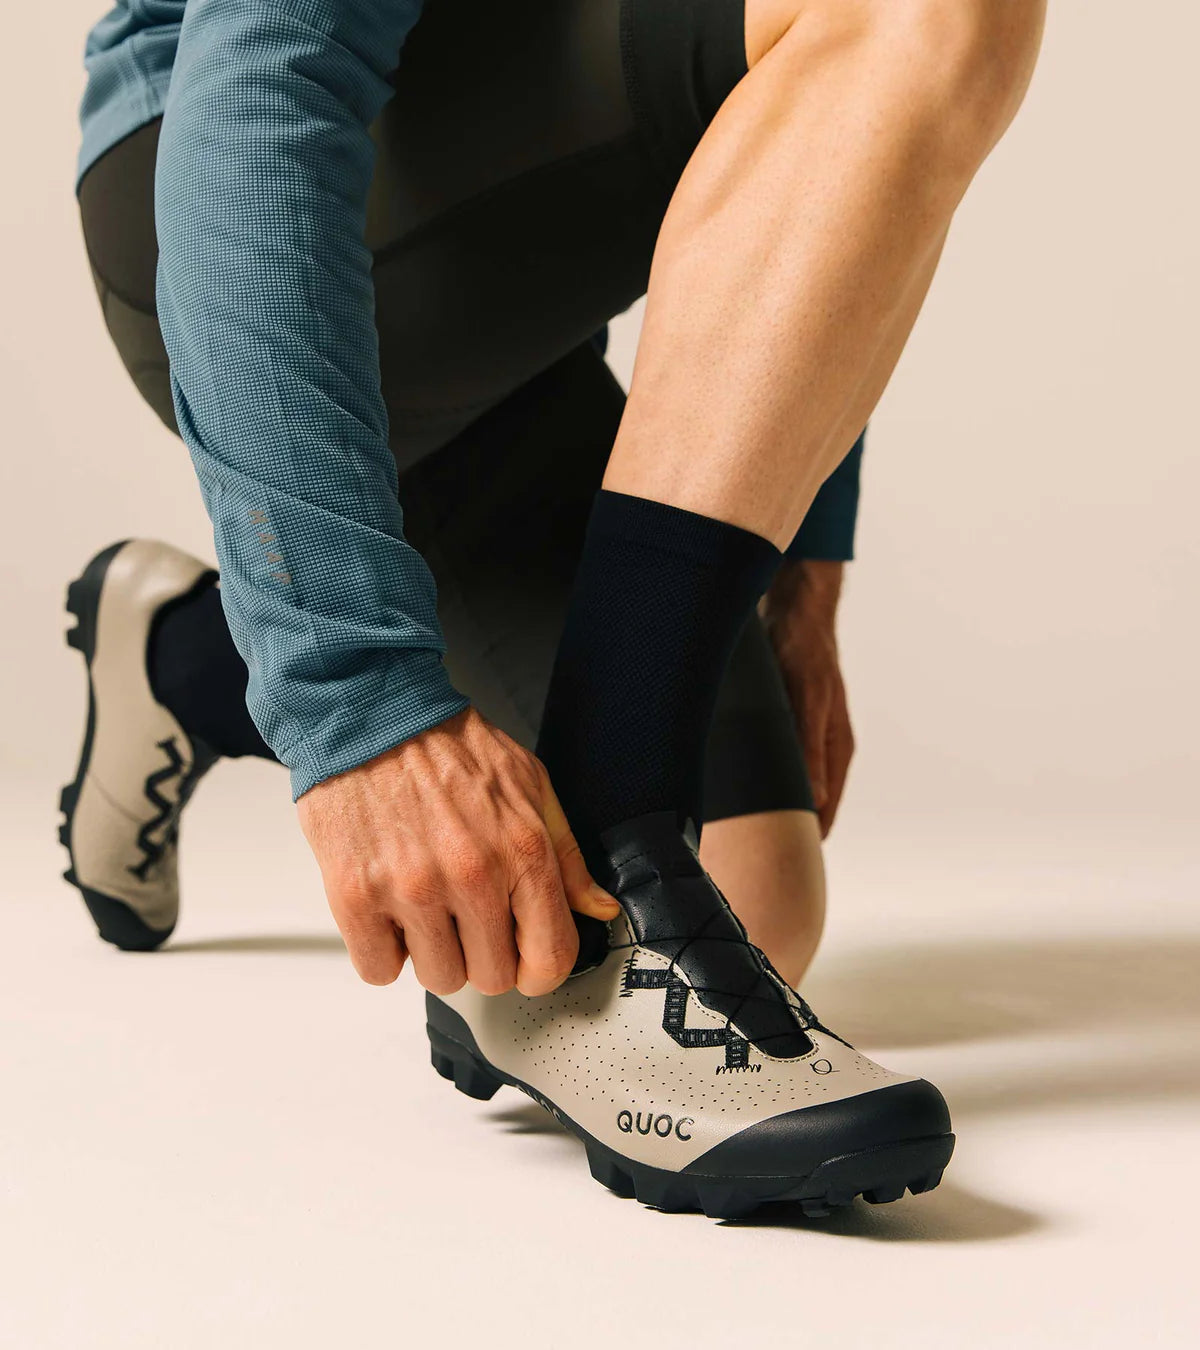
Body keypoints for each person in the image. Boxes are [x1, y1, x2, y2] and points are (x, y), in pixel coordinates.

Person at [64, 0, 1044, 1219]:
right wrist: (348, 694)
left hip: (508, 343)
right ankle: (615, 819)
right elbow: (263, 84)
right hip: (225, 206)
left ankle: (183, 658)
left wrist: (795, 567)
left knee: (759, 904)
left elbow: (817, 151)